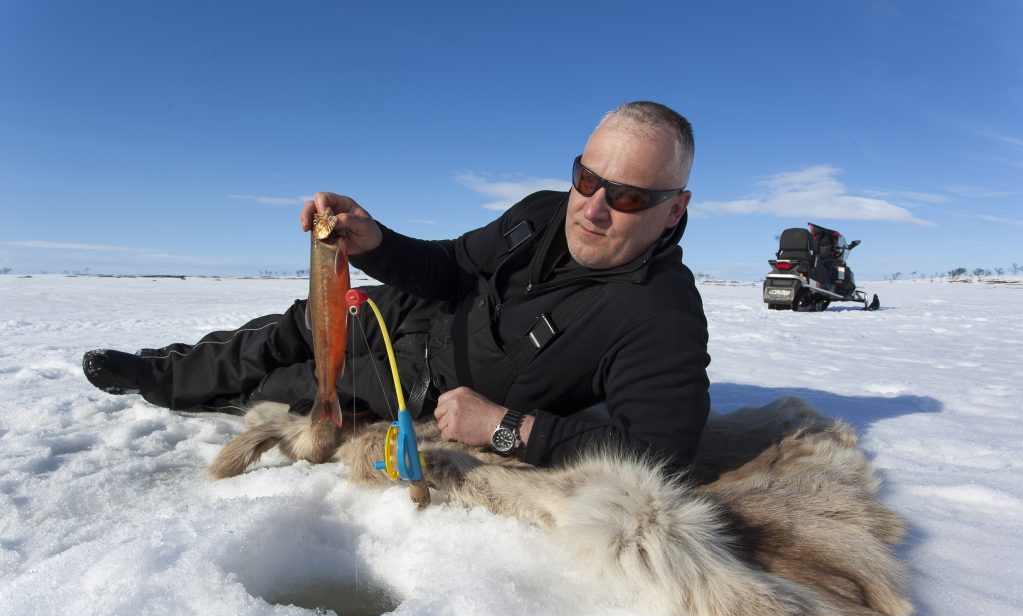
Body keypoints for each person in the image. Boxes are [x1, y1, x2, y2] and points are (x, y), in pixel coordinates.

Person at [83, 101, 711, 471]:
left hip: (419, 384)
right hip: (416, 309)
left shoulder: (661, 311)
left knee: (290, 384)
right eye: (586, 178)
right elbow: (454, 264)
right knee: (289, 329)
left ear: (674, 209)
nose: (593, 208)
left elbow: (665, 451)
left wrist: (505, 426)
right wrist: (374, 239)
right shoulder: (541, 212)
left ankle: (198, 394)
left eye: (627, 196)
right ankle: (162, 371)